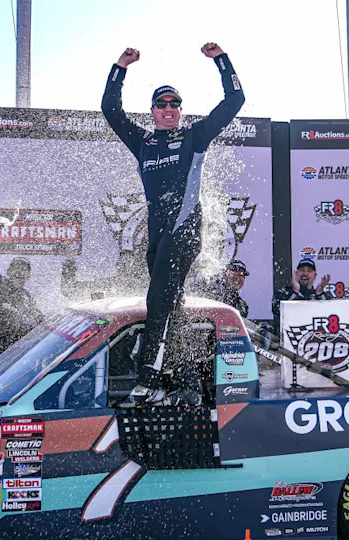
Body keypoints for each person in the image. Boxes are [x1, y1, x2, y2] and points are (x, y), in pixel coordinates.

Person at [103, 42, 245, 405]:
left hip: (184, 230)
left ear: (181, 111)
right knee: (173, 305)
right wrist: (121, 67)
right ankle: (186, 379)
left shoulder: (194, 137)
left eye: (174, 104)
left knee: (159, 300)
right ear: (152, 111)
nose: (169, 109)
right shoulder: (143, 141)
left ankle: (150, 379)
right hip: (158, 234)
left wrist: (221, 61)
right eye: (162, 104)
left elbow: (234, 101)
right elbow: (110, 109)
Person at [0, 221, 44, 356]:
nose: (19, 273)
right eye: (16, 269)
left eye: (23, 270)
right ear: (8, 272)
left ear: (29, 276)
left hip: (18, 355)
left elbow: (40, 322)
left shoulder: (27, 297)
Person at [270, 258, 333, 331]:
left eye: (309, 271)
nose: (305, 273)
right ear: (296, 273)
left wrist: (319, 294)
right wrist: (295, 292)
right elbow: (278, 311)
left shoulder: (320, 295)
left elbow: (331, 314)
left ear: (315, 276)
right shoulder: (283, 293)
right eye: (302, 270)